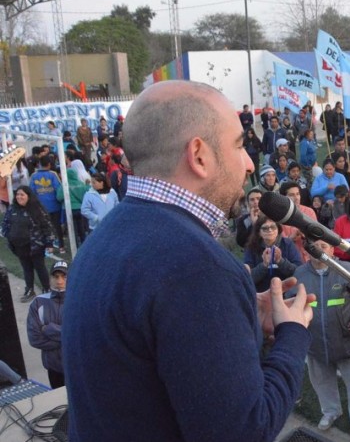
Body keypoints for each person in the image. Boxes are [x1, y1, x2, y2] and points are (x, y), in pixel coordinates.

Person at [62, 81, 315, 441]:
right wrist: (292, 335)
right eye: (240, 145)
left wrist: (237, 315)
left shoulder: (105, 236)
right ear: (199, 155)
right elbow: (244, 432)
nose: (247, 164)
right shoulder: (197, 268)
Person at [289, 239, 350, 439]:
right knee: (322, 383)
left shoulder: (347, 269)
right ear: (308, 251)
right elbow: (292, 303)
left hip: (347, 343)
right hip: (315, 344)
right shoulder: (300, 274)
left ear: (332, 250)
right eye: (315, 246)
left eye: (324, 246)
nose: (319, 250)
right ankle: (330, 412)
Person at [1, 186, 54, 302]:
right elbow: (5, 223)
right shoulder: (12, 209)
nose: (19, 197)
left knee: (40, 267)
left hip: (35, 245)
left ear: (29, 196)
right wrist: (8, 235)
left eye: (22, 195)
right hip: (19, 246)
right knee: (26, 268)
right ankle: (29, 290)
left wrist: (49, 243)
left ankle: (47, 289)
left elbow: (47, 227)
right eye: (18, 194)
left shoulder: (37, 209)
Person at [27, 260, 68, 388]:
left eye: (64, 276)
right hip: (54, 368)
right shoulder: (38, 303)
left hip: (77, 366)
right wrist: (67, 338)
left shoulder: (80, 301)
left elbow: (84, 336)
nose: (59, 281)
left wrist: (48, 329)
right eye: (56, 277)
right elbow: (35, 339)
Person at [243, 215, 302, 292]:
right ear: (259, 232)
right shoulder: (251, 247)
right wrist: (264, 265)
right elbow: (248, 277)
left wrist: (280, 262)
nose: (270, 230)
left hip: (285, 293)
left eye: (273, 227)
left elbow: (299, 272)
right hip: (261, 293)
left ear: (278, 230)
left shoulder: (288, 244)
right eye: (265, 228)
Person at [30, 155, 64, 253]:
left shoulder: (34, 176)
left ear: (39, 164)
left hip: (41, 207)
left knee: (44, 227)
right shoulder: (53, 174)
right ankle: (61, 246)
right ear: (49, 164)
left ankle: (49, 247)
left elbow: (31, 192)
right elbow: (59, 189)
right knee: (57, 226)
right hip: (54, 206)